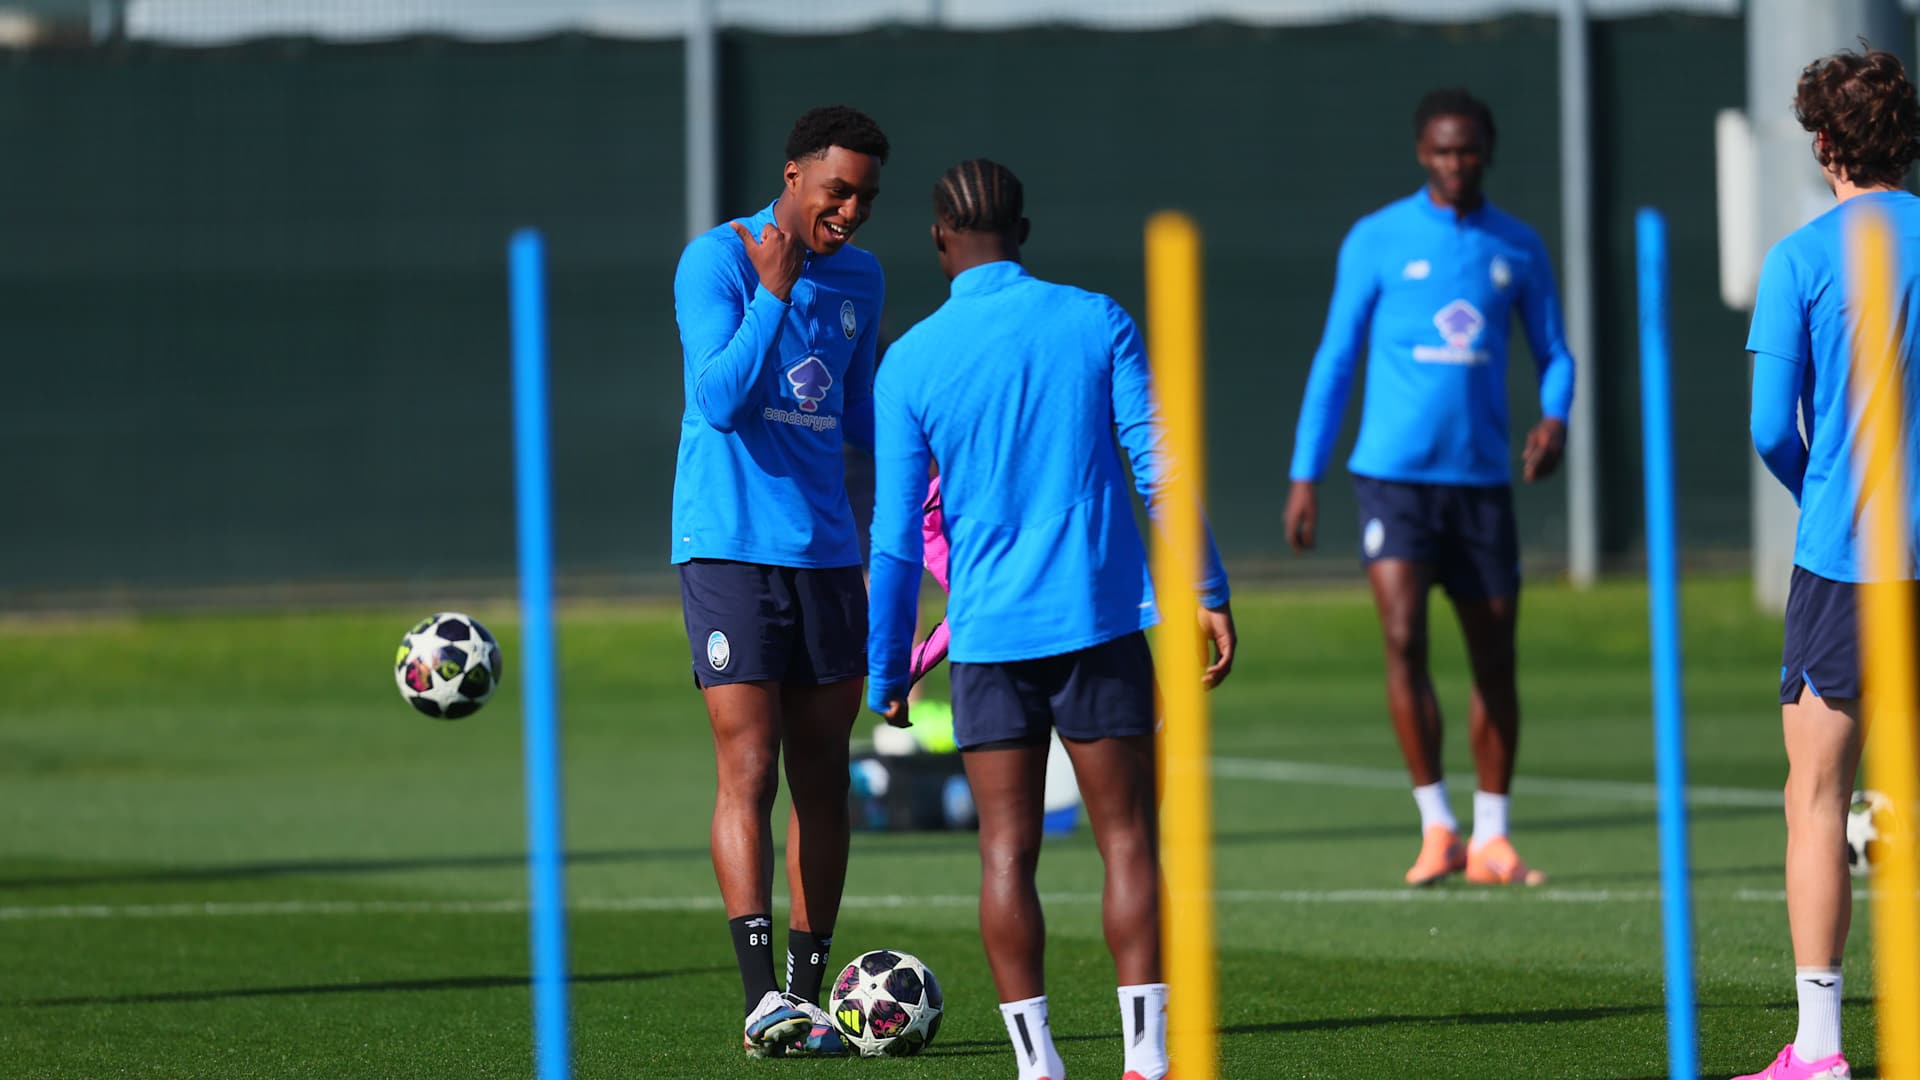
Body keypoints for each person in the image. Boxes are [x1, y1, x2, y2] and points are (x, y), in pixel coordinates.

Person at [867, 159, 1236, 1080]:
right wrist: (1208, 589)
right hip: (1098, 629)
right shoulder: (1097, 319)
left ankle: (1038, 1068)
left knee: (1005, 852)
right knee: (1127, 839)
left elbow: (896, 540)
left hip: (988, 645)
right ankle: (1147, 1059)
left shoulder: (909, 360)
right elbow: (1160, 466)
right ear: (1024, 231)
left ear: (939, 240)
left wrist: (887, 666)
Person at [1283, 87, 1576, 888]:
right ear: (1422, 152)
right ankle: (1437, 825)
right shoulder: (1376, 238)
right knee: (1404, 637)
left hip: (1480, 485)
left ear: (1488, 151)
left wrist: (1555, 418)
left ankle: (1494, 837)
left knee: (1494, 656)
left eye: (1468, 149)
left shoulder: (1517, 246)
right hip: (1393, 482)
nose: (1455, 162)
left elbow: (1555, 352)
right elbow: (1336, 359)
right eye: (1442, 150)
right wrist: (1305, 473)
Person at [670, 103, 889, 1058]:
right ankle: (761, 997)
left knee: (823, 775)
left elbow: (862, 413)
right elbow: (718, 401)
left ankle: (807, 994)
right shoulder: (716, 260)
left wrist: (936, 474)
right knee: (749, 767)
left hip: (828, 555)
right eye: (838, 191)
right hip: (727, 547)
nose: (851, 211)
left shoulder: (865, 278)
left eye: (866, 198)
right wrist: (773, 293)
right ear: (794, 175)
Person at [1735, 46, 1920, 1080]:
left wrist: (1822, 493)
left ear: (1821, 144)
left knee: (1816, 796)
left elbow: (1771, 428)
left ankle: (1819, 1050)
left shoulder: (1801, 257)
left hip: (1848, 558)